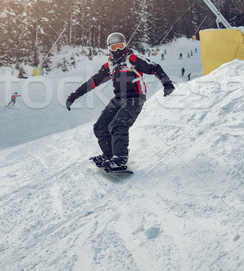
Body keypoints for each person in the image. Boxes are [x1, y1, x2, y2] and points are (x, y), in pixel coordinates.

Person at [66, 32, 175, 172]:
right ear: (109, 49)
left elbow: (154, 67)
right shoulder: (109, 65)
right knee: (100, 127)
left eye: (120, 46)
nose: (118, 50)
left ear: (125, 45)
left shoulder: (133, 59)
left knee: (118, 125)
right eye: (114, 47)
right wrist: (74, 96)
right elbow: (93, 82)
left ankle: (120, 159)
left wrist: (167, 84)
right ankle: (109, 156)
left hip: (135, 98)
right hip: (118, 99)